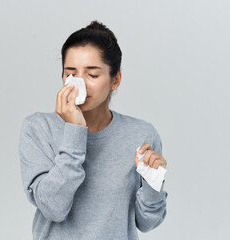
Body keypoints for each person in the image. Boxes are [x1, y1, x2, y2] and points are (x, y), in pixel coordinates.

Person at [18, 20, 168, 240]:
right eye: (71, 73)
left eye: (93, 75)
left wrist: (152, 182)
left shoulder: (141, 134)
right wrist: (75, 130)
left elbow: (147, 223)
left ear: (115, 80)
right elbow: (53, 208)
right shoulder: (38, 128)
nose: (79, 84)